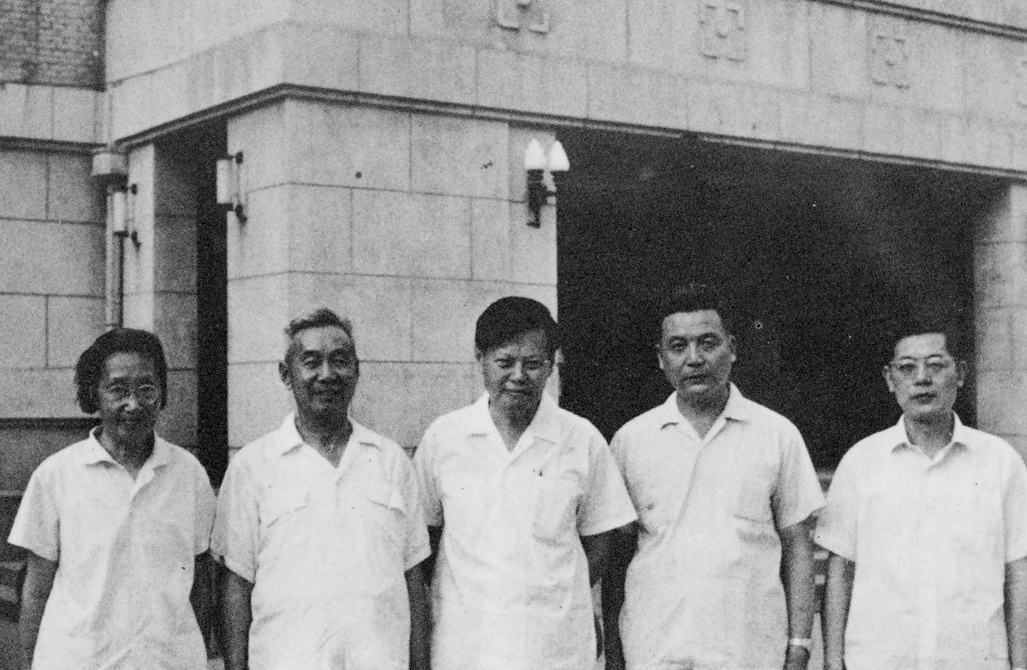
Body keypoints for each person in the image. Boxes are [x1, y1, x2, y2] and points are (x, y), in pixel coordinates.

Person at [603, 283, 825, 670]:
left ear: (732, 348)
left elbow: (797, 545)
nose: (694, 359)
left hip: (750, 653)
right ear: (660, 358)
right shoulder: (630, 441)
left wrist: (799, 647)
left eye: (708, 343)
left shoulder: (776, 434)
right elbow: (617, 558)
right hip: (655, 651)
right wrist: (615, 655)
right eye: (678, 347)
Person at [414, 296, 637, 669]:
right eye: (505, 362)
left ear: (551, 365)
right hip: (466, 645)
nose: (518, 376)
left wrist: (552, 593)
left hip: (554, 648)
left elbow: (602, 539)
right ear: (480, 359)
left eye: (533, 364)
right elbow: (426, 535)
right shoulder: (445, 437)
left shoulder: (581, 438)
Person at [212, 308, 430, 670]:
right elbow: (236, 584)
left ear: (357, 371)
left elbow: (413, 580)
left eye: (340, 361)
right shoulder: (252, 466)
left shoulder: (391, 461)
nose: (327, 374)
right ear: (286, 374)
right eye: (311, 362)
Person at [816, 322, 1027, 670]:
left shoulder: (1000, 462)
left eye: (935, 365)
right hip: (880, 660)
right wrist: (832, 662)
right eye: (907, 367)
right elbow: (840, 571)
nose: (922, 379)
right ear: (889, 379)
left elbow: (1018, 571)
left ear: (960, 374)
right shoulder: (861, 462)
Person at [7, 328, 216, 670]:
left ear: (161, 394)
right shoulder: (56, 475)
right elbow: (35, 590)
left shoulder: (188, 473)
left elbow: (200, 584)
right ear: (95, 394)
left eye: (146, 389)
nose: (133, 404)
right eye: (118, 389)